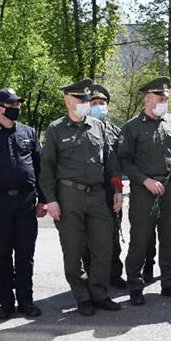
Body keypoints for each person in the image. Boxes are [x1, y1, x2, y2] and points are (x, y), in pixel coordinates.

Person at [39, 78, 123, 316]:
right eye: (81, 99)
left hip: (98, 195)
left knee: (103, 247)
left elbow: (111, 163)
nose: (86, 103)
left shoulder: (98, 126)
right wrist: (51, 200)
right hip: (68, 196)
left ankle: (98, 292)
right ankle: (82, 296)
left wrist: (117, 190)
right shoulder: (55, 130)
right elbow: (47, 169)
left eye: (88, 99)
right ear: (68, 102)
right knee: (73, 251)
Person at [0, 87, 46, 320]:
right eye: (11, 105)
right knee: (2, 255)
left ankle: (26, 301)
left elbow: (40, 168)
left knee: (25, 254)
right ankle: (5, 303)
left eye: (17, 105)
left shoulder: (29, 133)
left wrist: (43, 199)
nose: (16, 109)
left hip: (25, 201)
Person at [118, 76, 171, 305]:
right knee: (140, 239)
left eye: (166, 99)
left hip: (169, 190)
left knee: (169, 238)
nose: (164, 102)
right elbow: (124, 160)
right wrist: (144, 180)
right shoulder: (132, 127)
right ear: (147, 100)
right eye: (160, 98)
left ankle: (169, 283)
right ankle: (135, 286)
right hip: (144, 191)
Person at [88, 84, 127, 289]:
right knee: (90, 236)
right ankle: (92, 275)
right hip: (89, 189)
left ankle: (114, 273)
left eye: (102, 103)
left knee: (113, 234)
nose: (98, 106)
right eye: (93, 103)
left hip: (111, 189)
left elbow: (119, 165)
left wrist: (119, 190)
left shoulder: (115, 131)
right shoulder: (82, 128)